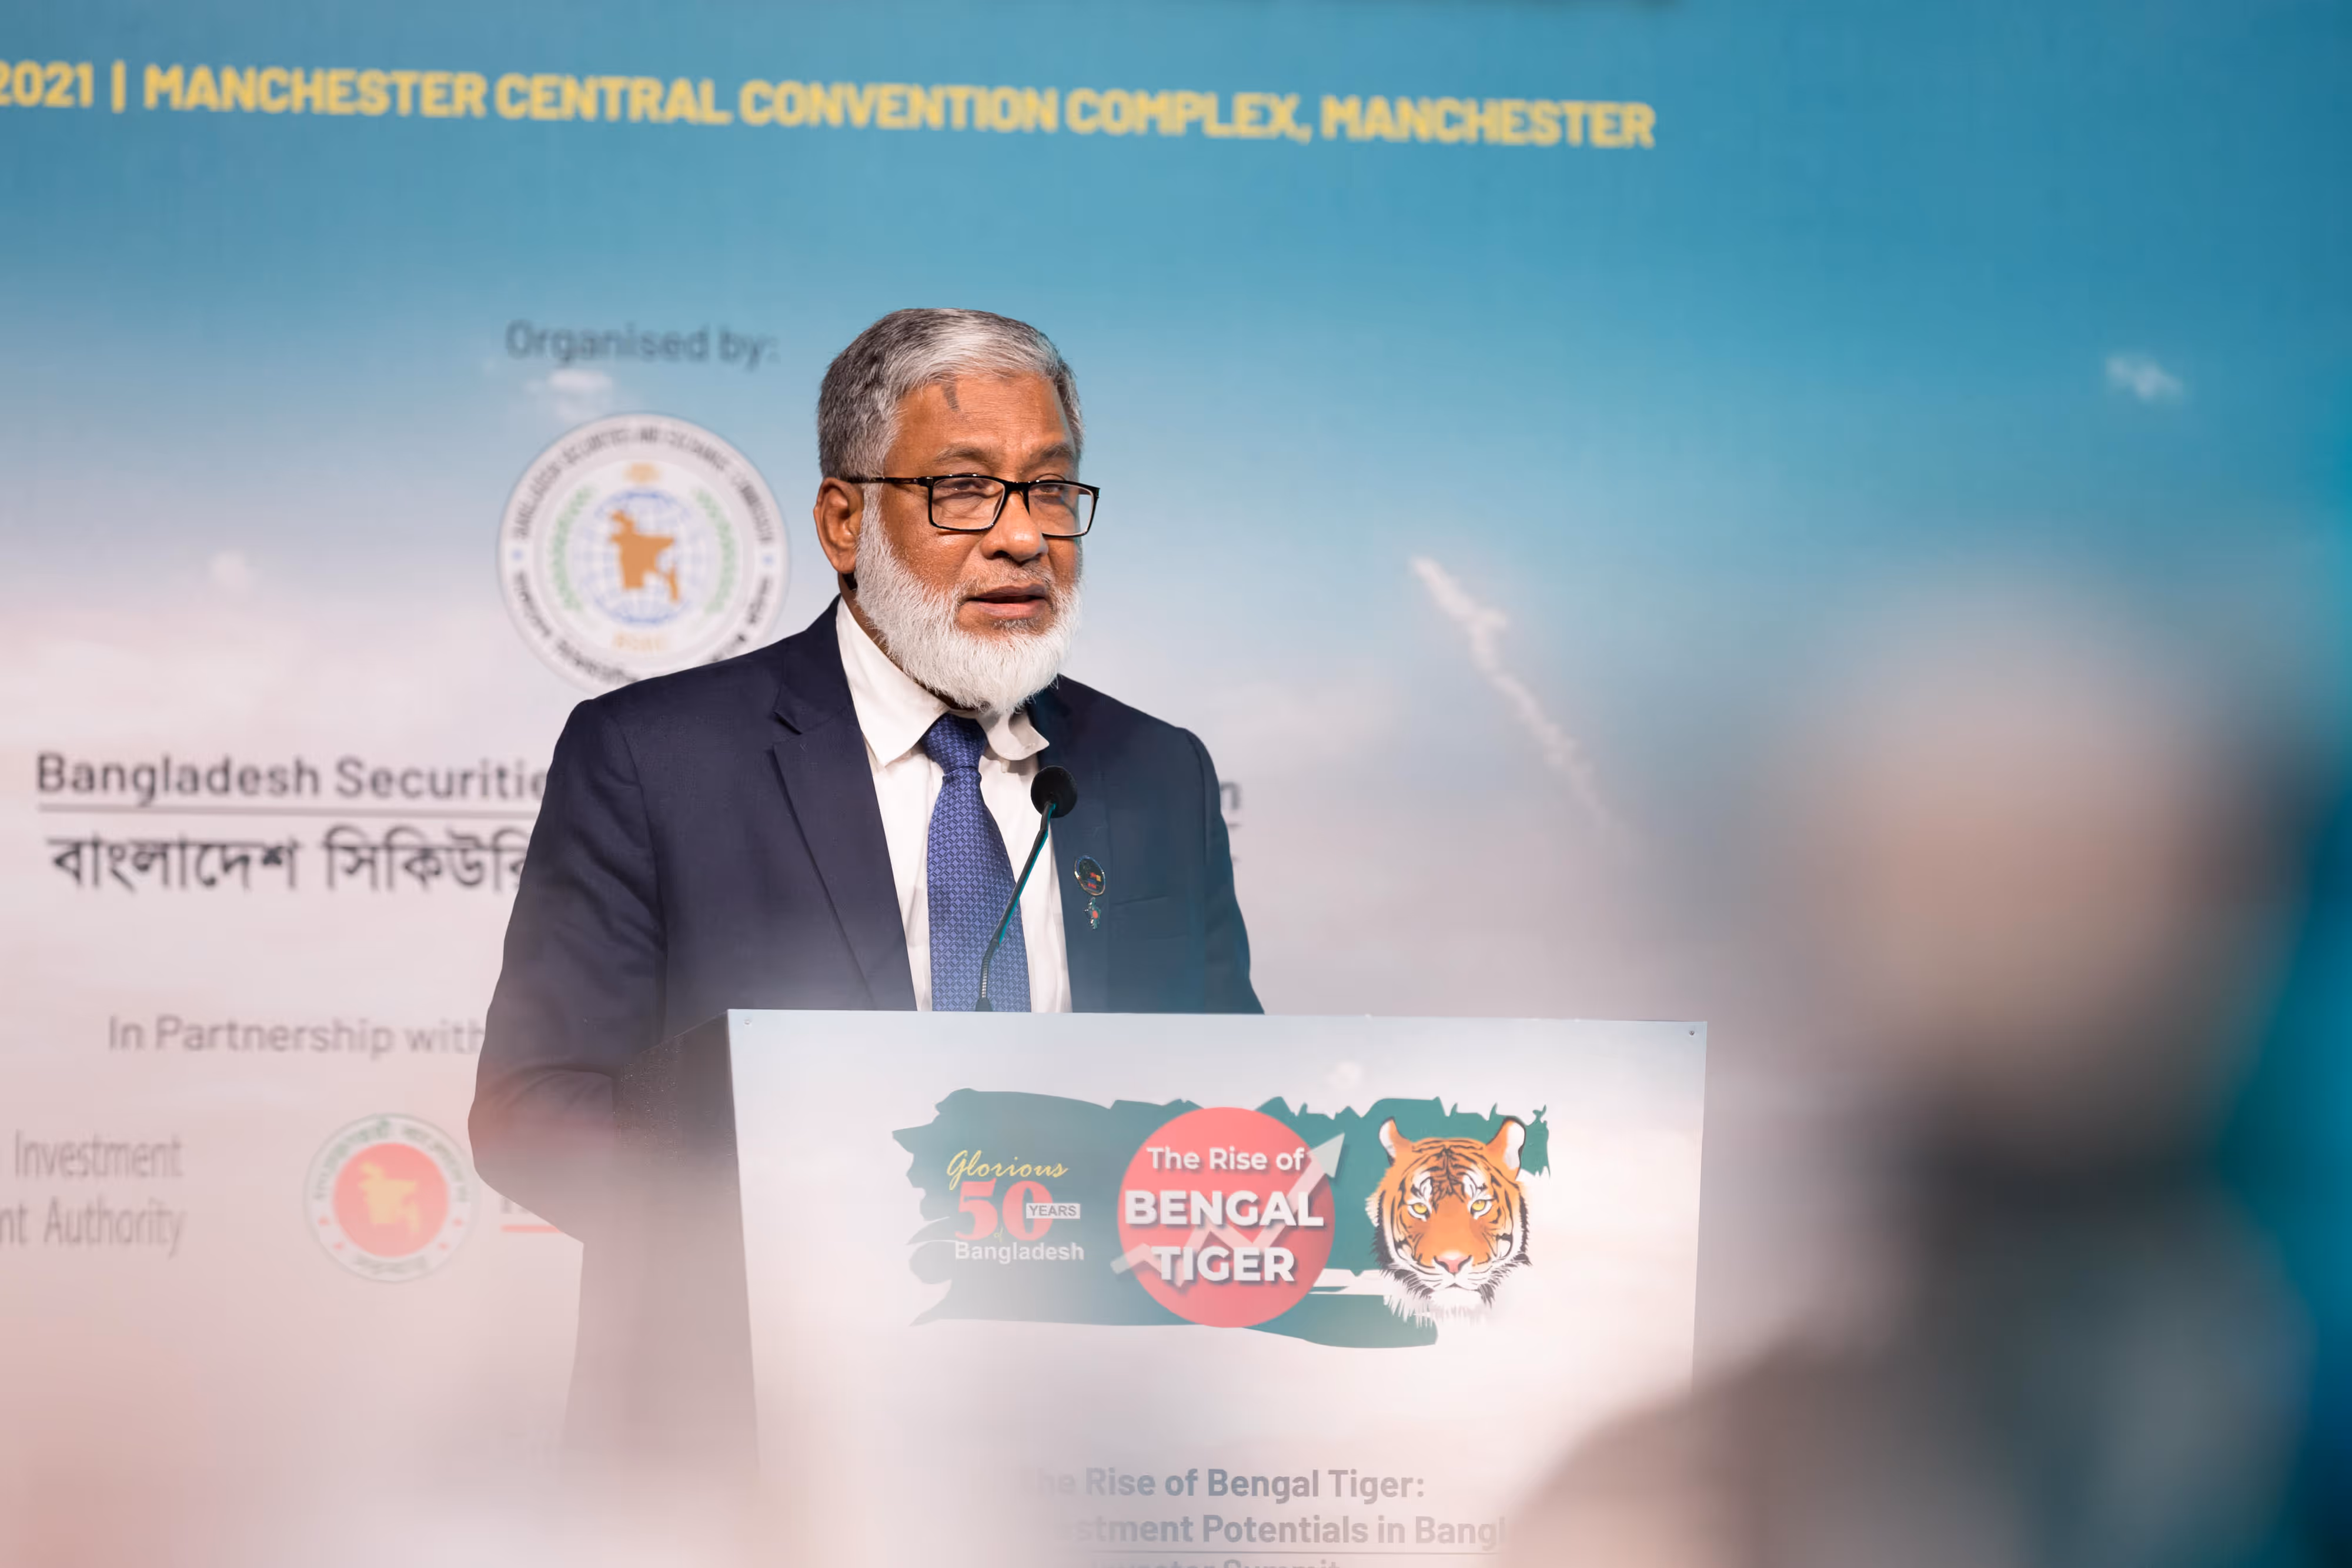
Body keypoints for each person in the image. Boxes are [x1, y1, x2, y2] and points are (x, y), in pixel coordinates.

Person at [472, 308, 1259, 1236]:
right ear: (844, 524)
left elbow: (1234, 1104)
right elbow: (531, 1112)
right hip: (765, 1366)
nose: (1024, 538)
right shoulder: (656, 759)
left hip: (1103, 1361)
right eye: (964, 488)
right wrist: (800, 1211)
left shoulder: (1158, 771)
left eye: (1049, 489)